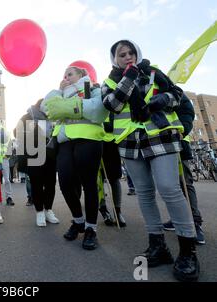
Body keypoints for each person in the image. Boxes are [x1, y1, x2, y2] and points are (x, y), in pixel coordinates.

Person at [102, 39, 199, 281]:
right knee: (144, 194)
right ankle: (158, 246)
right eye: (121, 54)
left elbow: (177, 95)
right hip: (129, 141)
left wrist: (159, 101)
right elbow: (112, 104)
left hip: (160, 136)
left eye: (131, 52)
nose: (127, 56)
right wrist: (130, 75)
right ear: (114, 59)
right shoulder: (110, 81)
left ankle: (188, 251)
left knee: (169, 188)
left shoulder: (154, 71)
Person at [44, 62, 109, 250]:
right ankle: (78, 221)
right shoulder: (60, 92)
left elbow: (98, 111)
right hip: (65, 140)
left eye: (70, 74)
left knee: (89, 184)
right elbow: (47, 108)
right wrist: (61, 93)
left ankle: (91, 229)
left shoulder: (94, 88)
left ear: (81, 75)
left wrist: (64, 108)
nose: (66, 78)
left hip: (89, 139)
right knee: (64, 182)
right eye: (64, 75)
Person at [163, 94, 205, 245]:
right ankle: (177, 219)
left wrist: (184, 130)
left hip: (180, 140)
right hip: (159, 144)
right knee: (169, 186)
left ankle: (195, 223)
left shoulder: (173, 89)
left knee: (185, 183)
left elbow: (187, 110)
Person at [15, 99, 59, 227]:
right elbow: (16, 132)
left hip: (50, 156)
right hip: (34, 156)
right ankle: (39, 212)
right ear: (38, 106)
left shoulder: (53, 118)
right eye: (44, 105)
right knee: (37, 184)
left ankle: (48, 210)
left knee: (51, 184)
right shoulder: (28, 117)